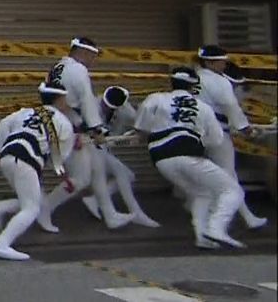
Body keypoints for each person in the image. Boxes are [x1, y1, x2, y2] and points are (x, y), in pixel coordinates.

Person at [134, 67, 244, 249]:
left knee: (202, 193)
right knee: (232, 191)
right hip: (188, 154)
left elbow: (141, 126)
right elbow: (216, 140)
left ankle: (203, 238)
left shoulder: (156, 98)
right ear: (195, 87)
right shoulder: (203, 107)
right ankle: (216, 229)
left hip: (161, 159)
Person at [36, 37, 133, 232]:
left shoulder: (58, 66)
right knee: (81, 178)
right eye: (93, 56)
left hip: (63, 123)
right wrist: (97, 129)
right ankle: (44, 208)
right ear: (84, 53)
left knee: (96, 170)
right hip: (68, 128)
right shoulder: (78, 70)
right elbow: (87, 100)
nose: (93, 61)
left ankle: (110, 214)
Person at [0, 79, 76, 261]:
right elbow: (58, 160)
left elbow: (4, 123)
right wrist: (65, 178)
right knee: (32, 208)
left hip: (8, 156)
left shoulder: (28, 111)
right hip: (26, 161)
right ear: (59, 99)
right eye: (65, 99)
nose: (67, 103)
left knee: (35, 200)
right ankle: (2, 244)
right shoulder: (64, 124)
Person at [194, 45, 267, 229]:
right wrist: (246, 129)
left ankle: (209, 222)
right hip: (216, 133)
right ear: (210, 62)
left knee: (208, 178)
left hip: (193, 133)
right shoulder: (219, 82)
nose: (224, 65)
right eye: (221, 61)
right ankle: (226, 223)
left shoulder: (194, 78)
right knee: (228, 177)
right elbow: (231, 107)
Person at [79, 86, 160, 228]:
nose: (106, 108)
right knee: (122, 173)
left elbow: (138, 124)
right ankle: (136, 213)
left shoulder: (124, 109)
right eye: (105, 104)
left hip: (103, 149)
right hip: (88, 149)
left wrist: (136, 134)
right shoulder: (92, 105)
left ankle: (95, 201)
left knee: (128, 176)